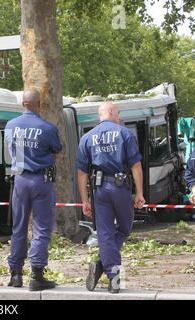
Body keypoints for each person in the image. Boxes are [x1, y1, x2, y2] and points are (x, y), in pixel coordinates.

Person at [77, 101, 145, 294]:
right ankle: (113, 277)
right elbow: (136, 166)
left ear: (101, 115)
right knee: (124, 227)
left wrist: (84, 199)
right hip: (120, 187)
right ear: (113, 113)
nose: (119, 117)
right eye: (119, 113)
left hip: (99, 189)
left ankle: (106, 268)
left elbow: (81, 173)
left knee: (105, 233)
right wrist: (139, 192)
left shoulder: (87, 137)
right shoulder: (124, 133)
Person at [4, 89, 62, 291]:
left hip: (19, 180)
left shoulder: (10, 126)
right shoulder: (48, 128)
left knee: (18, 227)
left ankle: (16, 274)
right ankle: (37, 274)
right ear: (39, 104)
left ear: (23, 104)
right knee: (41, 228)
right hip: (41, 181)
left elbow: (10, 151)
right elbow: (56, 154)